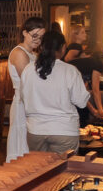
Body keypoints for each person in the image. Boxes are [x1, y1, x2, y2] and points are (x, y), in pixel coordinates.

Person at [20, 26, 88, 154]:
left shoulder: (28, 69)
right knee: (63, 167)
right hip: (64, 130)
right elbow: (81, 102)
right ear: (63, 48)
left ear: (41, 47)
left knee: (39, 167)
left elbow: (24, 97)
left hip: (36, 130)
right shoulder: (70, 71)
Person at [5, 16, 47, 161]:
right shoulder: (19, 52)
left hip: (33, 101)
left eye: (41, 37)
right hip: (24, 102)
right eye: (35, 35)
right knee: (21, 143)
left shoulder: (34, 54)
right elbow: (29, 82)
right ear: (24, 32)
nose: (38, 40)